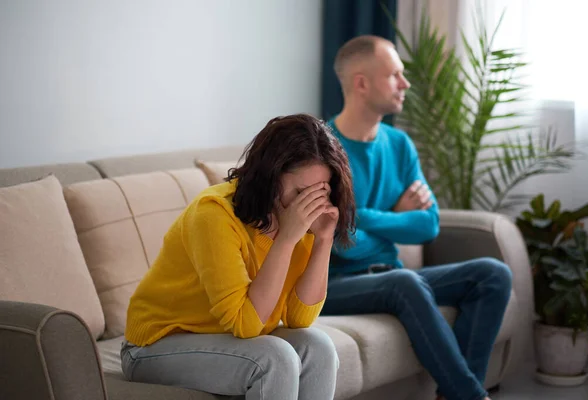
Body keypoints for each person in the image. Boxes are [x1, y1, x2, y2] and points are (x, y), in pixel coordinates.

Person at [321, 35, 513, 400]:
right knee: (405, 283)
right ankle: (471, 396)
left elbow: (428, 225)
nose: (405, 84)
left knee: (493, 275)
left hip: (388, 274)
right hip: (332, 286)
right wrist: (395, 217)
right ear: (361, 83)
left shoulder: (399, 145)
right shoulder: (324, 150)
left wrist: (362, 216)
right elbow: (342, 245)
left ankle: (451, 394)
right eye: (395, 75)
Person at [121, 114, 356, 400]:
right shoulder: (213, 214)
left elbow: (299, 318)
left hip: (221, 338)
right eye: (299, 191)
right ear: (270, 178)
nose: (308, 204)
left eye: (319, 192)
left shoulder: (303, 219)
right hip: (154, 346)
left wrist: (323, 239)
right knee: (274, 357)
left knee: (318, 346)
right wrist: (286, 240)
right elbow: (246, 324)